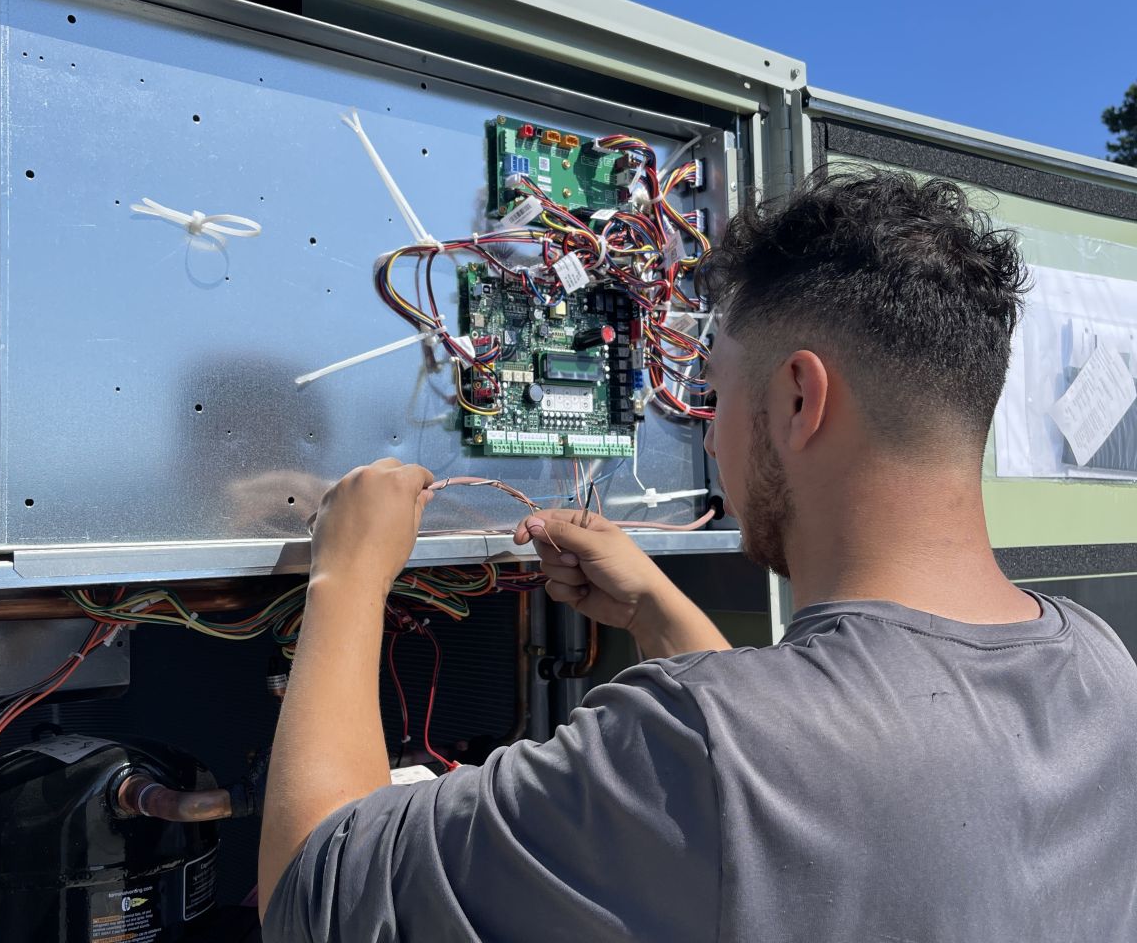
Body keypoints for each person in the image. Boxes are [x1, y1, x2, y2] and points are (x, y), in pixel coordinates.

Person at [258, 169, 1137, 942]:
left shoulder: (700, 742)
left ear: (798, 398)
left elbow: (313, 893)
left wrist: (350, 576)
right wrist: (656, 611)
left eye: (710, 392)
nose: (707, 437)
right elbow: (793, 798)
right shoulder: (1103, 668)